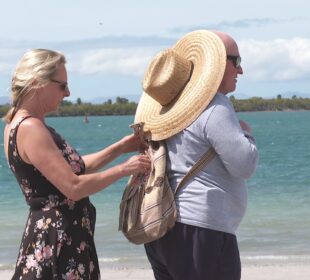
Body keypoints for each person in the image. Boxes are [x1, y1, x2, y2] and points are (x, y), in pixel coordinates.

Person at [2, 49, 151, 280]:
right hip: (59, 241)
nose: (68, 93)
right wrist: (125, 169)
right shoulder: (31, 128)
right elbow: (73, 186)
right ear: (37, 82)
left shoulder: (20, 124)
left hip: (60, 237)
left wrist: (119, 148)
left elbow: (75, 167)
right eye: (62, 86)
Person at [134, 30, 259, 279]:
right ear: (219, 63)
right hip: (201, 232)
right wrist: (245, 133)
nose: (240, 71)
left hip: (163, 226)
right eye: (237, 62)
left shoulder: (167, 109)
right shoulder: (215, 106)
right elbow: (244, 165)